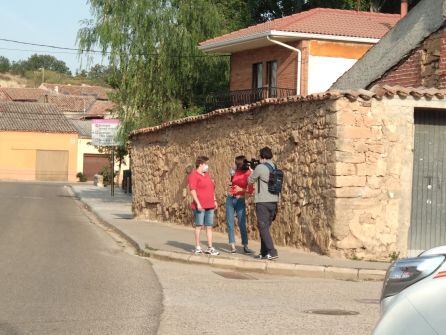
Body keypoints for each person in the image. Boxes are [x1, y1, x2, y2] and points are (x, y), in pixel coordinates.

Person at [248, 147, 279, 260]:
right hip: (274, 201)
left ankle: (272, 251)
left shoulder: (260, 167)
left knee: (263, 227)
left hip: (262, 201)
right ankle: (264, 252)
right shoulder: (274, 166)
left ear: (262, 157)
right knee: (265, 228)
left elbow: (250, 181)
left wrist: (252, 172)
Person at [187, 156, 219, 256]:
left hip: (210, 205)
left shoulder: (207, 175)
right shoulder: (193, 175)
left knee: (209, 226)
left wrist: (214, 200)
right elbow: (192, 190)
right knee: (199, 226)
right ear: (200, 164)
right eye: (206, 164)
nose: (207, 166)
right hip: (200, 206)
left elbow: (211, 188)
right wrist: (198, 203)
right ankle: (197, 247)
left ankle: (210, 247)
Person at [225, 155, 255, 254]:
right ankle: (232, 245)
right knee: (230, 223)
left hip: (240, 200)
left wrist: (241, 189)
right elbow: (231, 182)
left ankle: (245, 246)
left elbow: (250, 191)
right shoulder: (235, 171)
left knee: (242, 223)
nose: (235, 164)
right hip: (230, 198)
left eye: (236, 163)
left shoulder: (248, 173)